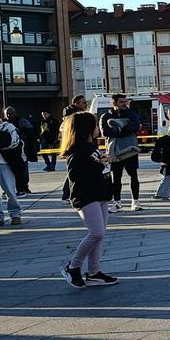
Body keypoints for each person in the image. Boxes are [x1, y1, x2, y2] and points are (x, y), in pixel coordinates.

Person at [60, 111, 118, 288]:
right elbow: (75, 175)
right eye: (95, 124)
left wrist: (103, 163)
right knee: (96, 233)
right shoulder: (77, 151)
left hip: (100, 193)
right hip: (85, 195)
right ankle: (73, 266)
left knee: (100, 235)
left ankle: (94, 272)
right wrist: (98, 165)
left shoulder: (91, 147)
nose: (98, 128)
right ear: (86, 128)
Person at [100, 94, 143, 212]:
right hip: (114, 151)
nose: (125, 104)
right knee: (116, 178)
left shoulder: (132, 113)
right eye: (121, 102)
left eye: (125, 101)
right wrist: (124, 127)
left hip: (130, 150)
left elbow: (135, 127)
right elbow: (105, 132)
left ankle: (135, 201)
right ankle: (117, 202)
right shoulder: (106, 116)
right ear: (114, 103)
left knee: (133, 176)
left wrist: (118, 129)